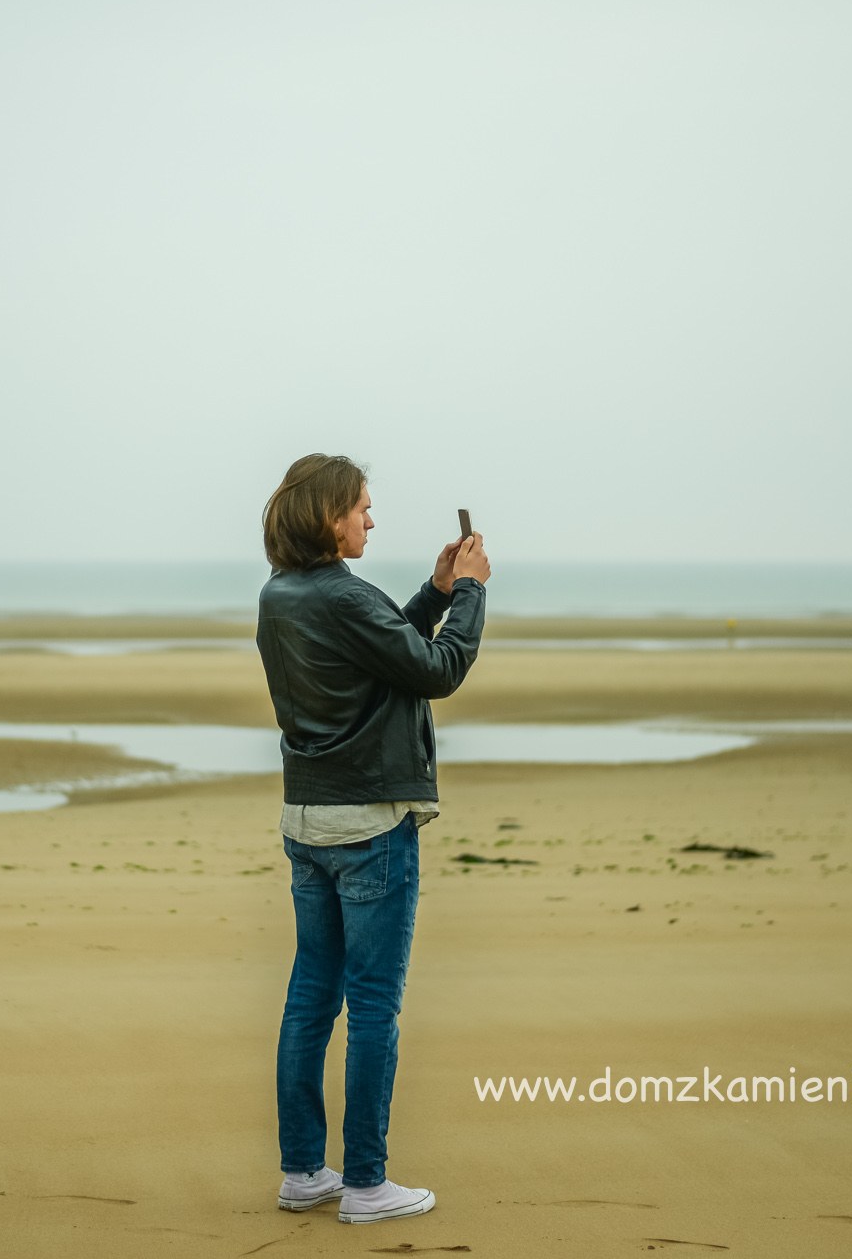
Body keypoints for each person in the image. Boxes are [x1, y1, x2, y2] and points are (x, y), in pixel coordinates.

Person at [255, 454, 489, 1225]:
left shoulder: (280, 595)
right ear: (328, 516)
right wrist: (476, 593)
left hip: (306, 823)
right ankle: (365, 1183)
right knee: (375, 1003)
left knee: (311, 996)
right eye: (361, 507)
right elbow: (436, 668)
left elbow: (386, 646)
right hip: (369, 827)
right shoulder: (343, 597)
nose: (370, 519)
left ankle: (302, 1172)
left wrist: (438, 590)